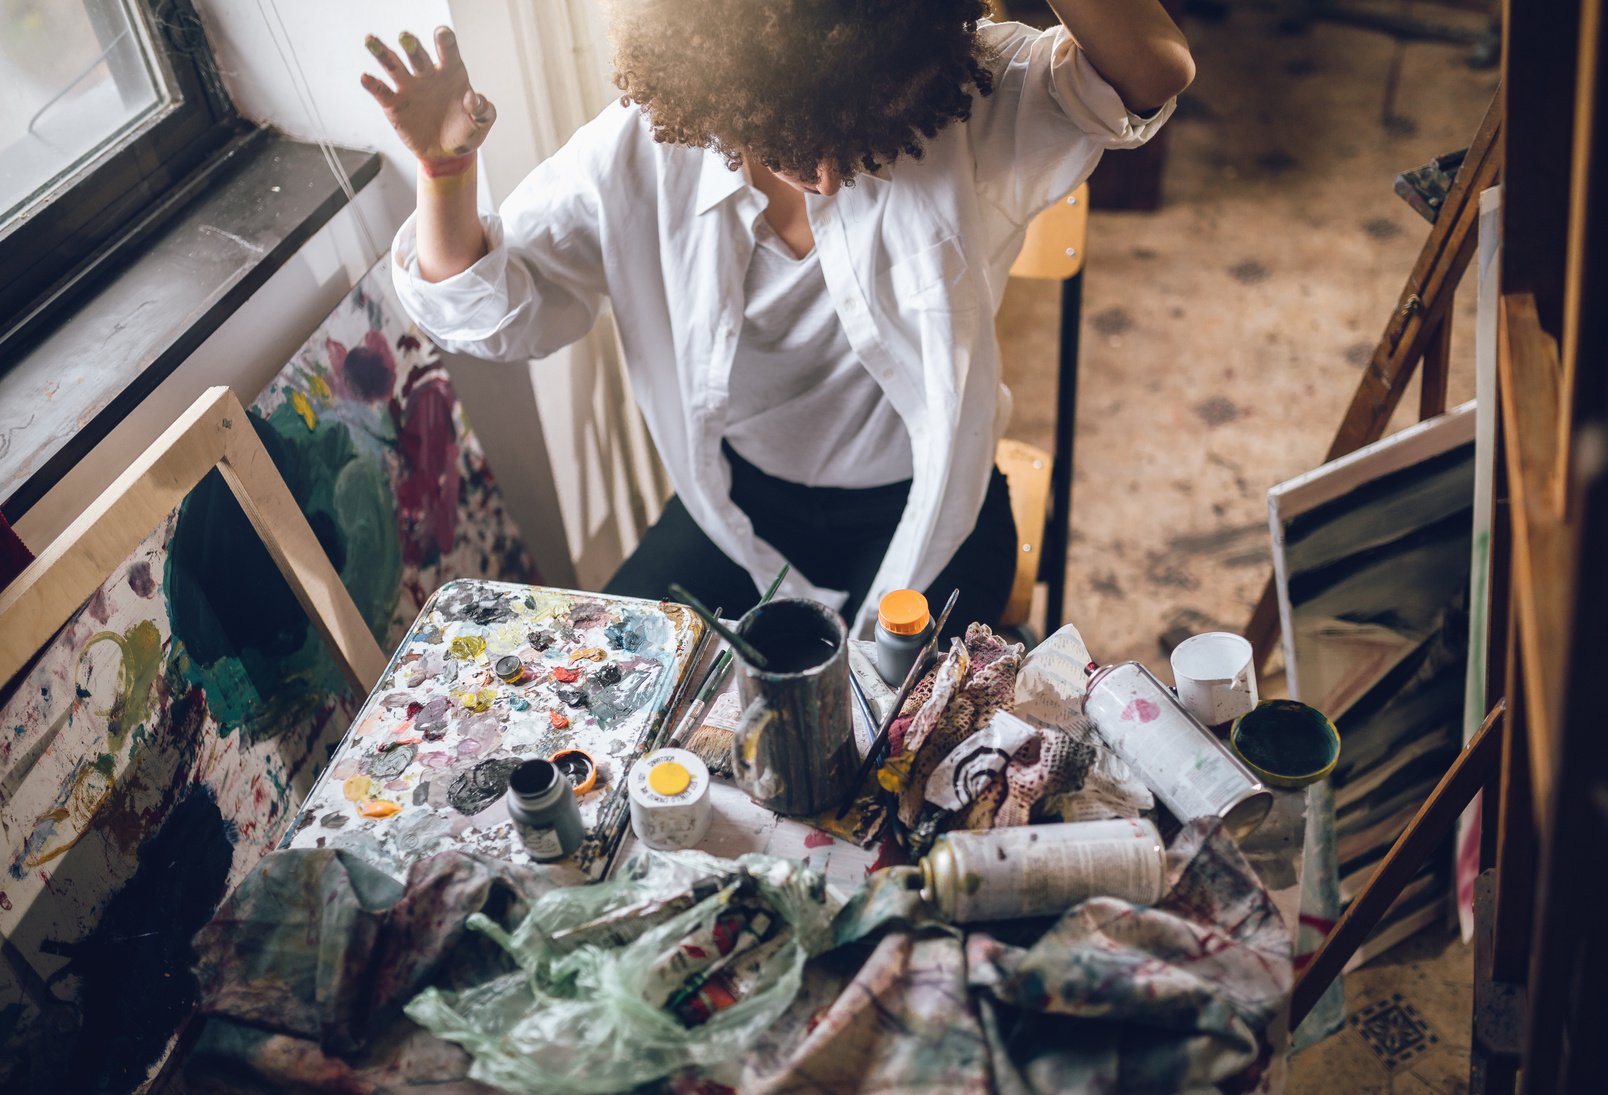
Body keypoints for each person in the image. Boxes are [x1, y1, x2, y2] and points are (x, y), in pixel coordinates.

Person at [364, 0, 1192, 639]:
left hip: (933, 506)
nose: (829, 179)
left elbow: (1152, 71)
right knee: (613, 687)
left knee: (910, 769)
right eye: (789, 141)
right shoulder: (637, 153)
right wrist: (445, 173)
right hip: (737, 511)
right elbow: (491, 315)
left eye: (859, 137)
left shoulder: (967, 106)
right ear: (713, 87)